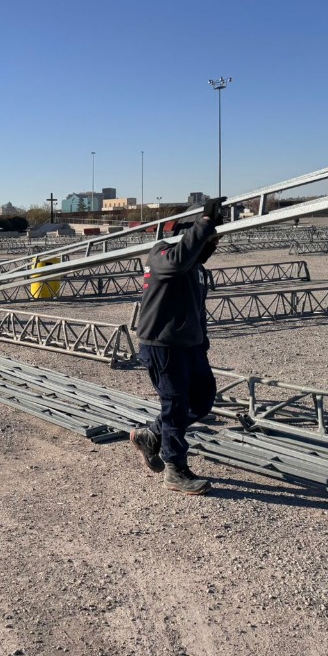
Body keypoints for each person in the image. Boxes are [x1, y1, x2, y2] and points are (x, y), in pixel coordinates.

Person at [129, 197, 226, 495]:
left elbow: (197, 309)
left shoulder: (197, 269)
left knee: (202, 400)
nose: (211, 246)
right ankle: (175, 468)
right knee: (175, 405)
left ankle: (151, 436)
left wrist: (202, 341)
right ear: (188, 234)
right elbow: (178, 260)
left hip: (189, 345)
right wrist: (204, 223)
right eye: (207, 240)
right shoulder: (161, 253)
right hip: (162, 344)